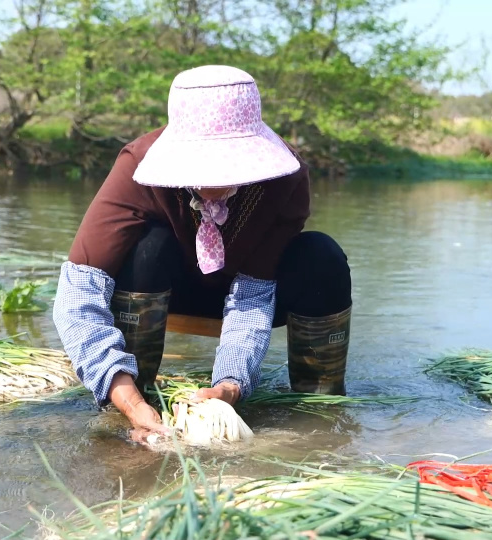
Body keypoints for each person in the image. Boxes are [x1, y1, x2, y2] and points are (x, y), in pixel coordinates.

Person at [52, 65, 352, 443]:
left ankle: (318, 416)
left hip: (252, 292)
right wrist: (125, 397)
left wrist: (230, 386)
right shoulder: (136, 167)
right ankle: (133, 401)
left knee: (321, 255)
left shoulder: (285, 180)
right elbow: (78, 295)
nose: (214, 177)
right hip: (162, 291)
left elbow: (253, 297)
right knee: (149, 246)